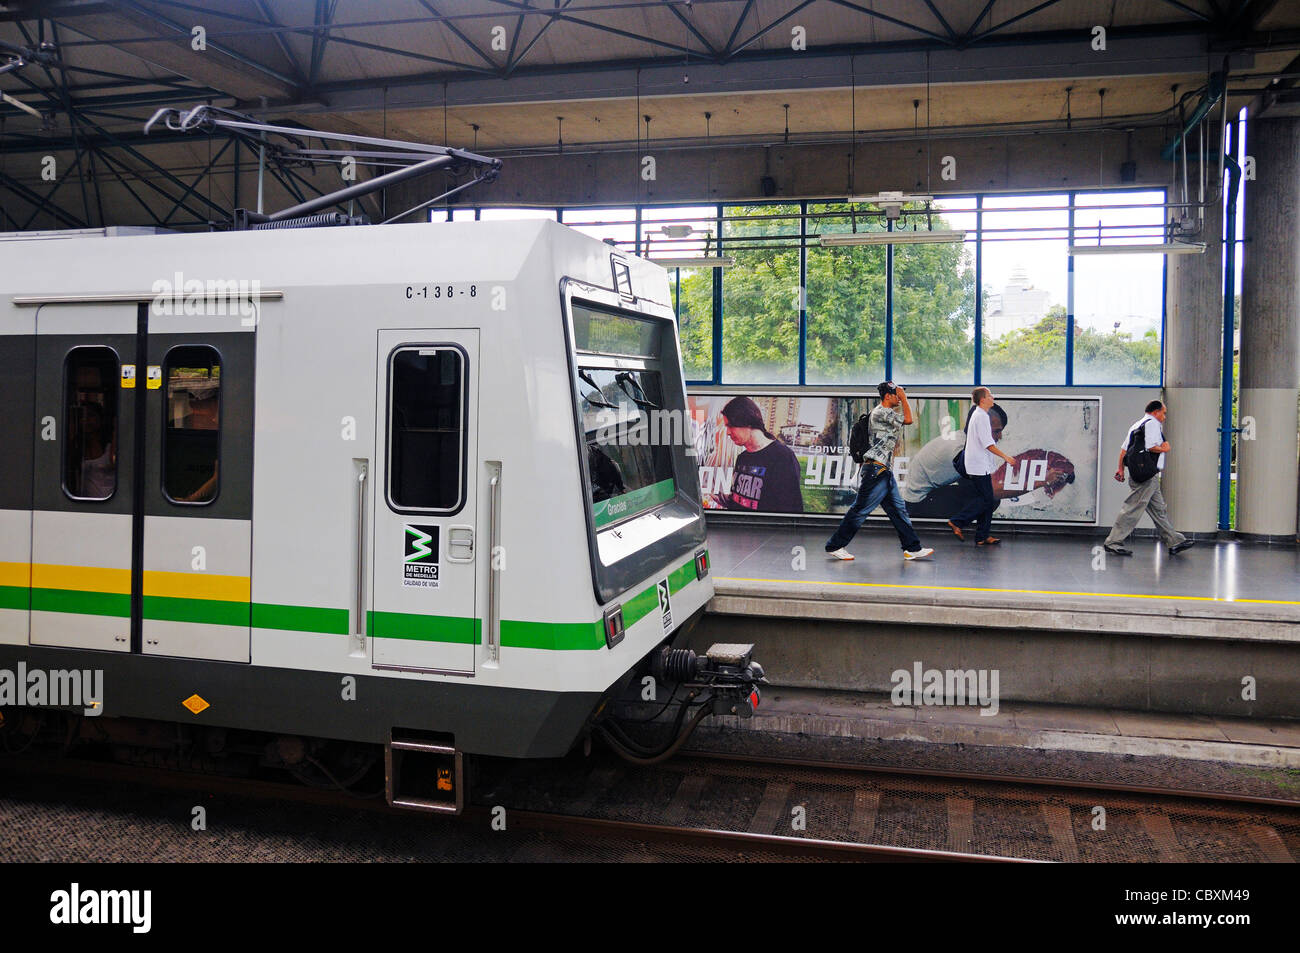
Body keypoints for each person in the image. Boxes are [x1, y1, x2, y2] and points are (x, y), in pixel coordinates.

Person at [825, 382, 934, 561]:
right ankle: (835, 545)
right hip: (875, 470)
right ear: (888, 396)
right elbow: (908, 419)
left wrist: (902, 396)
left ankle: (912, 548)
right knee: (860, 510)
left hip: (883, 471)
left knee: (899, 511)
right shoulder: (882, 412)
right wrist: (905, 398)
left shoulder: (885, 413)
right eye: (896, 394)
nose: (899, 397)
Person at [1104, 400, 1193, 556]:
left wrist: (1120, 469)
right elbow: (1152, 446)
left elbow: (1123, 450)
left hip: (1144, 474)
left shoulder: (1137, 425)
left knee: (1159, 510)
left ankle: (1175, 541)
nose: (1164, 417)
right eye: (1163, 413)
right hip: (1146, 476)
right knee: (1132, 508)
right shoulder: (1151, 423)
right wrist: (1165, 448)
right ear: (1155, 412)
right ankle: (1113, 542)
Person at [903, 403, 1008, 519]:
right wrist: (1028, 485)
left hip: (923, 495)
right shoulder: (962, 450)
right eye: (996, 431)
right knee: (990, 499)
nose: (1000, 436)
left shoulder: (963, 438)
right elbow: (992, 489)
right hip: (918, 504)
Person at [951, 387, 1016, 546]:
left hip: (981, 464)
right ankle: (958, 521)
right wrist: (1006, 457)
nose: (992, 397)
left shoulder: (981, 415)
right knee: (987, 499)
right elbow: (988, 444)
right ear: (982, 400)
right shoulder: (980, 417)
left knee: (988, 499)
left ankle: (982, 536)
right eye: (989, 395)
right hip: (978, 465)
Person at [718, 395, 803, 513]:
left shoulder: (783, 457)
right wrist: (728, 501)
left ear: (747, 422)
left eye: (730, 426)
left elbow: (792, 512)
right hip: (737, 530)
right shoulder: (742, 458)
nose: (727, 432)